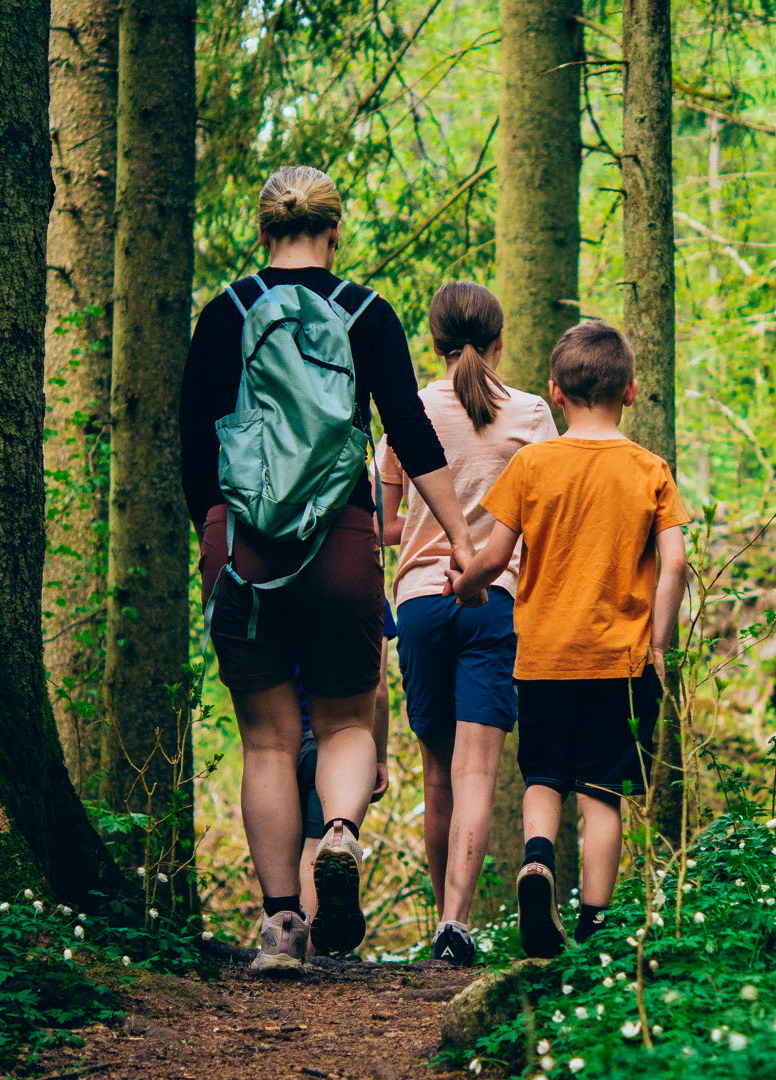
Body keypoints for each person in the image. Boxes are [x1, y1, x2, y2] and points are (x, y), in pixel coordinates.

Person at [182, 166, 476, 972]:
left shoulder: (226, 311)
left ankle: (282, 927)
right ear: (335, 231)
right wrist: (459, 537)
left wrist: (216, 535)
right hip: (342, 540)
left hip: (244, 546)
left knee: (268, 742)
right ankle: (340, 831)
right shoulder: (366, 313)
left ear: (263, 229)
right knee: (345, 723)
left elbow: (193, 441)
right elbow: (409, 430)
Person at [448, 321, 689, 958]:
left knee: (543, 777)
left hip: (544, 658)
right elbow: (676, 563)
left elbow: (494, 557)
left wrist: (465, 587)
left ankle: (537, 863)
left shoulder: (532, 463)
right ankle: (593, 926)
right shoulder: (650, 469)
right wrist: (658, 644)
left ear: (555, 393)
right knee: (602, 793)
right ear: (630, 391)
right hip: (620, 662)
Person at [376, 282, 557, 966]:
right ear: (500, 341)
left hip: (422, 603)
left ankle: (439, 928)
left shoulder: (410, 410)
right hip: (496, 604)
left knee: (437, 776)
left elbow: (384, 522)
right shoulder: (532, 414)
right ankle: (456, 922)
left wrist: (427, 526)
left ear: (434, 343)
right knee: (476, 772)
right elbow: (546, 520)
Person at [296, 602, 398, 929]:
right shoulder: (366, 590)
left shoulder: (270, 583)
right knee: (317, 848)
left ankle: (280, 938)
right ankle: (310, 950)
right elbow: (377, 689)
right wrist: (378, 756)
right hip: (333, 745)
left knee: (282, 855)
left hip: (279, 745)